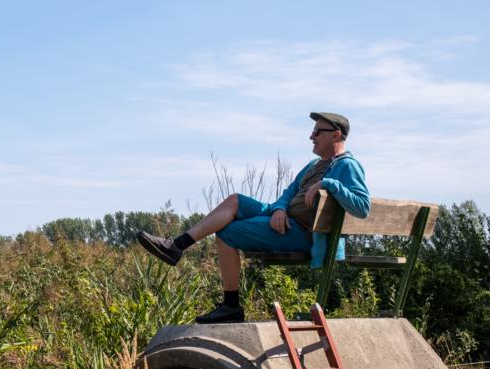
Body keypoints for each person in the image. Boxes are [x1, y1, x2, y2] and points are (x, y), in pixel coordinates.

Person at [136, 112, 370, 323]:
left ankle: (231, 306)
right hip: (285, 218)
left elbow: (362, 207)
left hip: (304, 233)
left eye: (318, 132)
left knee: (227, 232)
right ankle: (176, 246)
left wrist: (329, 183)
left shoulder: (348, 166)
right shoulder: (314, 165)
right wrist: (279, 210)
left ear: (336, 134)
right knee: (235, 200)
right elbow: (288, 193)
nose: (311, 136)